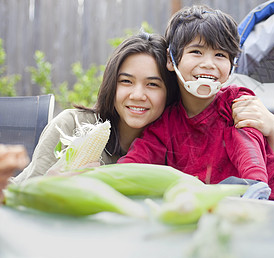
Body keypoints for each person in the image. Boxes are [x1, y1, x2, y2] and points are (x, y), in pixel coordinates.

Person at [118, 5, 274, 200]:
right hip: (196, 209)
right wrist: (108, 178)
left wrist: (254, 182)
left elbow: (247, 144)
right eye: (196, 52)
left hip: (252, 200)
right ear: (171, 60)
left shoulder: (236, 100)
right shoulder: (166, 123)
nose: (208, 64)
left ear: (231, 66)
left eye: (220, 55)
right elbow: (140, 156)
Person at [12, 33, 179, 183]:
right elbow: (27, 193)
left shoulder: (171, 148)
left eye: (152, 84)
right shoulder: (70, 126)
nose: (137, 95)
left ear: (169, 92)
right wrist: (50, 184)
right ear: (111, 84)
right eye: (126, 81)